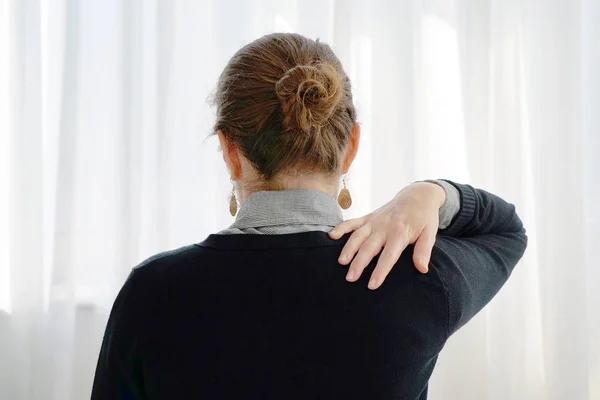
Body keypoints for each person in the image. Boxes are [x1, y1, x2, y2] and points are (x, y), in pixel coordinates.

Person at [91, 33, 527, 399]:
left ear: (229, 151)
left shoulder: (151, 293)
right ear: (350, 146)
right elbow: (506, 230)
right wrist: (430, 193)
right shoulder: (416, 274)